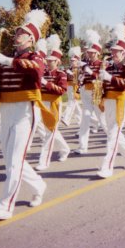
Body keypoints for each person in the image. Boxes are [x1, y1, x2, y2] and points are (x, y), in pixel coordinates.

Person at [0, 10, 50, 220]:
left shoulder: (35, 56)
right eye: (17, 33)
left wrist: (6, 61)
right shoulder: (8, 60)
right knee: (10, 160)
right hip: (6, 111)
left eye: (21, 33)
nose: (16, 35)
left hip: (24, 112)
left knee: (14, 161)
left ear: (31, 38)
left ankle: (6, 205)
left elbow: (36, 72)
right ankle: (38, 184)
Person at [96, 24, 125, 178]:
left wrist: (110, 78)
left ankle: (107, 167)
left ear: (123, 52)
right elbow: (105, 86)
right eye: (112, 51)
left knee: (113, 136)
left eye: (116, 52)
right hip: (109, 103)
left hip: (120, 104)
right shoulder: (109, 67)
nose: (113, 54)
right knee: (114, 134)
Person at [36, 34, 70, 171]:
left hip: (54, 104)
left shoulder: (61, 74)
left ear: (57, 62)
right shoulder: (43, 72)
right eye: (48, 60)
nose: (48, 63)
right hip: (43, 103)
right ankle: (65, 148)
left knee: (50, 133)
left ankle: (44, 161)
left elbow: (61, 90)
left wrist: (46, 83)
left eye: (51, 61)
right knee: (50, 131)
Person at [75, 29, 107, 154]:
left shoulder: (101, 63)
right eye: (89, 52)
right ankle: (83, 147)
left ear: (98, 53)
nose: (90, 54)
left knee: (102, 119)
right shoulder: (86, 63)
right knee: (85, 119)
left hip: (97, 91)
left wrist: (89, 71)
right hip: (86, 91)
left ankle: (114, 139)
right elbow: (82, 77)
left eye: (93, 53)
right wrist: (81, 77)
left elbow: (101, 77)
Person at [62, 46, 83, 127]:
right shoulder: (70, 68)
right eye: (71, 61)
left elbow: (77, 79)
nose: (72, 62)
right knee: (75, 104)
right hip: (69, 87)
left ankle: (66, 118)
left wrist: (70, 73)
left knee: (72, 102)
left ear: (77, 61)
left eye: (73, 61)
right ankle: (81, 120)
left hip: (75, 87)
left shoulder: (79, 69)